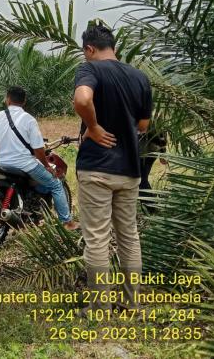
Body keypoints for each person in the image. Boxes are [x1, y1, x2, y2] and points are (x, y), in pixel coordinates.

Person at [73, 24, 153, 311]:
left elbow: (82, 99)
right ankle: (132, 303)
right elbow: (143, 125)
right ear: (113, 46)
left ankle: (100, 307)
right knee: (129, 236)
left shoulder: (90, 70)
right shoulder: (139, 77)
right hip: (130, 169)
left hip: (97, 168)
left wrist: (93, 127)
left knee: (97, 238)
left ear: (90, 49)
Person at [0, 86, 79, 230]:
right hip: (25, 165)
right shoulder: (28, 119)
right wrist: (47, 166)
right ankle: (68, 222)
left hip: (2, 163)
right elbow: (38, 149)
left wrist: (4, 153)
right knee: (55, 183)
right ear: (24, 101)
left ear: (7, 99)